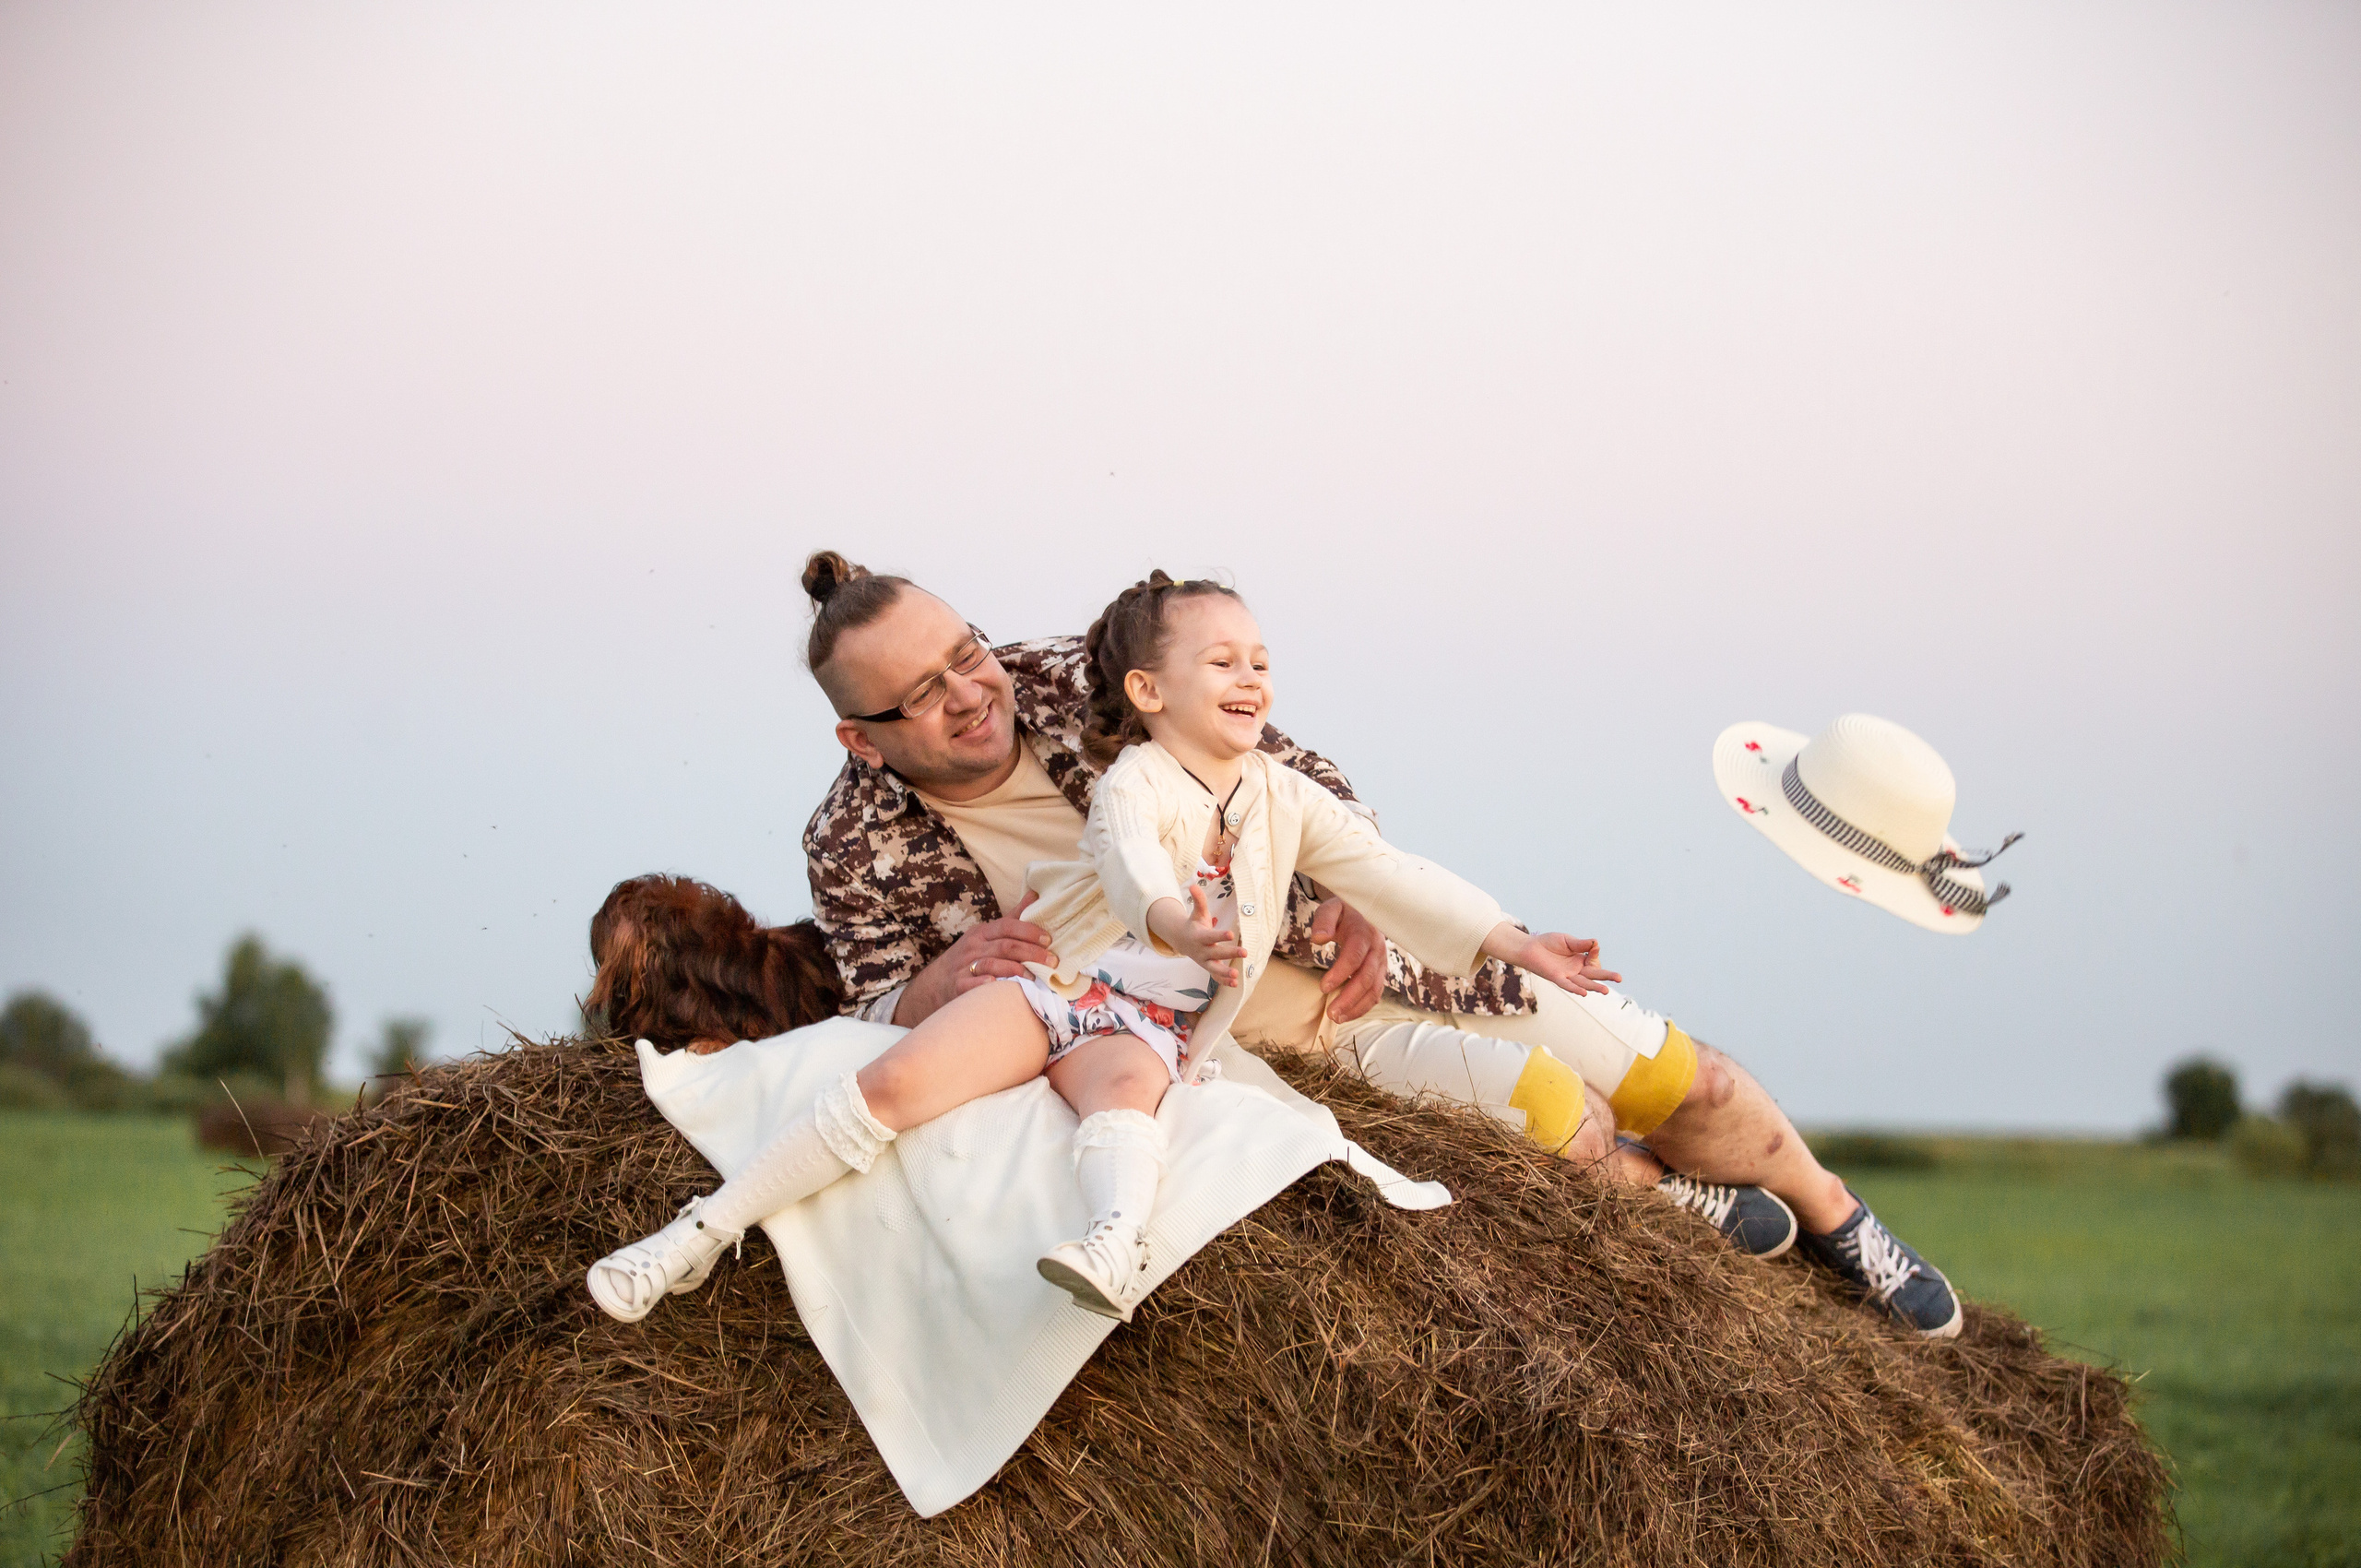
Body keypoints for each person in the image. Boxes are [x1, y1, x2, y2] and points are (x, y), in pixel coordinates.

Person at [785, 550, 1963, 1338]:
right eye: (921, 695)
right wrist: (923, 988)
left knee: (1668, 1070)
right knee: (1562, 1124)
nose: (968, 693)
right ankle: (1669, 1199)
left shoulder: (1077, 675)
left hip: (1379, 953)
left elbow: (1303, 777)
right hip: (1255, 1057)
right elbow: (878, 1003)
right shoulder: (850, 841)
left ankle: (1833, 1211)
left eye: (965, 654)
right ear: (863, 734)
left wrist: (1349, 892)